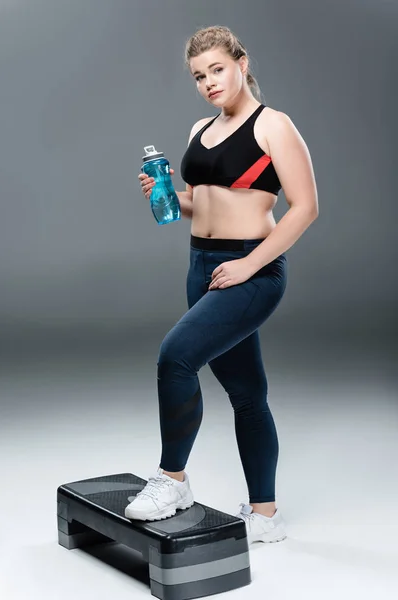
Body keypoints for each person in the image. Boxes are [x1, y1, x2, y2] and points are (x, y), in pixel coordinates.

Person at [125, 25, 318, 544]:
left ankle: (173, 481)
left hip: (250, 269)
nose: (209, 82)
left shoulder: (273, 125)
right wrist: (164, 193)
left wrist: (251, 265)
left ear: (241, 62)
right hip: (202, 265)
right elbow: (201, 201)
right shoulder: (198, 130)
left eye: (216, 69)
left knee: (175, 358)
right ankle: (265, 517)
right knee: (248, 393)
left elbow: (305, 208)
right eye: (199, 76)